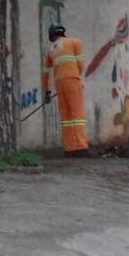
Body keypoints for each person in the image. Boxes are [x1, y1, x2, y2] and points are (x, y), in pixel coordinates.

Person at [42, 23, 89, 157]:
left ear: (52, 35)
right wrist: (75, 79)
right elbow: (80, 64)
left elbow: (45, 73)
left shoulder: (51, 50)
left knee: (66, 117)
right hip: (72, 80)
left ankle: (69, 148)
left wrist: (47, 91)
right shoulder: (75, 42)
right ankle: (81, 147)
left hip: (59, 83)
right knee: (77, 115)